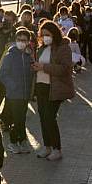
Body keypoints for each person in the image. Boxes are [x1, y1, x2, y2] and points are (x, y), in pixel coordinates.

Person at [32, 21, 74, 161]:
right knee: (43, 118)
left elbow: (65, 69)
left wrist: (44, 67)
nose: (45, 37)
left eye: (48, 34)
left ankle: (57, 149)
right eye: (42, 35)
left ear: (54, 34)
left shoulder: (63, 48)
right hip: (41, 86)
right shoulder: (41, 48)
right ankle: (47, 146)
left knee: (50, 117)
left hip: (55, 88)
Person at [0, 27, 35, 154]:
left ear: (28, 42)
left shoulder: (28, 56)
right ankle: (14, 142)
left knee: (22, 118)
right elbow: (3, 74)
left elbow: (31, 73)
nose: (21, 42)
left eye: (24, 40)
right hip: (13, 94)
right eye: (19, 39)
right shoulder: (10, 56)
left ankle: (22, 141)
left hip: (25, 94)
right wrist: (12, 85)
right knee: (17, 119)